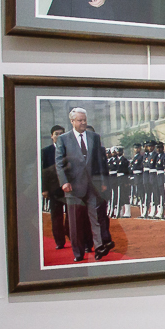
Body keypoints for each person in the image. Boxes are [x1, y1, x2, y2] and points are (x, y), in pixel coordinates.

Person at [55, 108, 115, 262]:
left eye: (84, 120)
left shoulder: (94, 137)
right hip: (73, 187)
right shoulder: (63, 139)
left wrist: (102, 181)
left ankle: (99, 247)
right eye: (80, 120)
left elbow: (100, 161)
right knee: (75, 223)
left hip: (93, 186)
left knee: (96, 218)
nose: (83, 123)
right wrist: (64, 182)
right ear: (72, 121)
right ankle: (79, 253)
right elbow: (59, 163)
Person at [40, 125, 68, 249]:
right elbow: (43, 171)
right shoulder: (46, 152)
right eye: (56, 134)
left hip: (69, 188)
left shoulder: (70, 150)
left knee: (72, 215)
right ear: (52, 136)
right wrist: (44, 189)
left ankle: (70, 232)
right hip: (53, 189)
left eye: (62, 134)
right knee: (56, 217)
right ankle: (59, 241)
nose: (59, 136)